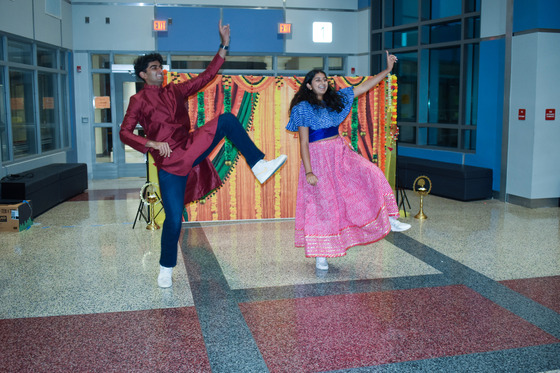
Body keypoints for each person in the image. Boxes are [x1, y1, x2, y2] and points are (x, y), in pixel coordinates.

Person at [120, 20, 287, 287]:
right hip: (168, 163)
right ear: (142, 75)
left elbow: (206, 76)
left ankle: (259, 165)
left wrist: (224, 46)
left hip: (188, 147)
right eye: (153, 68)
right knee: (173, 218)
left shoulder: (174, 90)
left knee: (228, 120)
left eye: (160, 67)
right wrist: (150, 144)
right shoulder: (137, 101)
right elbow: (125, 133)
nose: (159, 71)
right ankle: (165, 268)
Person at [285, 51, 410, 271]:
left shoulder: (337, 100)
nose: (322, 82)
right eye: (317, 80)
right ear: (309, 86)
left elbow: (365, 86)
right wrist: (309, 172)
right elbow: (303, 143)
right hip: (317, 159)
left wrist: (388, 70)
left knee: (372, 173)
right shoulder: (302, 108)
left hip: (339, 152)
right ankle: (320, 254)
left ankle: (388, 218)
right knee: (324, 206)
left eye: (324, 79)